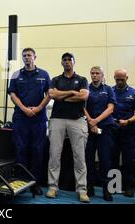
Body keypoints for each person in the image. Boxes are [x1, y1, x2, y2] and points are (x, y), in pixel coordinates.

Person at [46, 52, 90, 203]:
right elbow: (52, 95)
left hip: (77, 120)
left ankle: (82, 189)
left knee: (79, 157)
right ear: (61, 62)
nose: (66, 62)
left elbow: (83, 96)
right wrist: (72, 92)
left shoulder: (82, 79)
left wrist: (62, 95)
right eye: (64, 60)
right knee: (54, 155)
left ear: (74, 62)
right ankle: (53, 187)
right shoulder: (55, 79)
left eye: (69, 59)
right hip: (57, 119)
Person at [8, 48, 50, 195]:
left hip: (38, 119)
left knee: (37, 150)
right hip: (21, 117)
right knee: (21, 149)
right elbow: (13, 94)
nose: (27, 58)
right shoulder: (16, 74)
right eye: (24, 55)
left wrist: (38, 108)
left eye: (29, 55)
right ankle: (22, 181)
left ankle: (35, 182)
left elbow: (49, 94)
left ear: (35, 57)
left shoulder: (44, 74)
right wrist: (24, 109)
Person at [84, 66, 116, 201]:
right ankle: (89, 187)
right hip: (89, 129)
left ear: (102, 75)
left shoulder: (108, 89)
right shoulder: (86, 89)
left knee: (105, 160)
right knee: (88, 159)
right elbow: (82, 107)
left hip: (105, 128)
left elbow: (111, 108)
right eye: (92, 73)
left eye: (97, 73)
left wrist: (96, 120)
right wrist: (91, 122)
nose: (94, 75)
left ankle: (106, 190)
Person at [112, 69, 135, 198]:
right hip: (113, 130)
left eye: (122, 79)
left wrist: (128, 121)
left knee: (128, 160)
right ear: (114, 78)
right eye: (117, 79)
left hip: (129, 130)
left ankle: (128, 186)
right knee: (112, 159)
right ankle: (114, 186)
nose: (119, 81)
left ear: (127, 78)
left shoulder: (134, 93)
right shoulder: (110, 91)